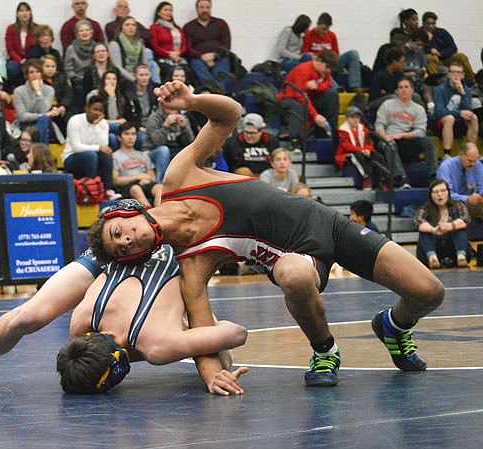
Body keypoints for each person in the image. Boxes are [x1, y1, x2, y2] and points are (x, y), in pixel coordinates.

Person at [88, 80, 445, 388]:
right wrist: (212, 375)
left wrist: (193, 101)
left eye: (118, 232)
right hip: (298, 259)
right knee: (293, 273)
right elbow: (201, 336)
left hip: (328, 223)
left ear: (127, 212)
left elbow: (229, 115)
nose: (125, 241)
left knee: (429, 292)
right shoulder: (193, 263)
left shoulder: (180, 178)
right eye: (120, 249)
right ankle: (325, 351)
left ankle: (394, 326)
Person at [0, 242, 248, 396]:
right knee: (27, 314)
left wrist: (187, 341)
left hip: (154, 246)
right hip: (115, 254)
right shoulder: (82, 327)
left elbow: (237, 333)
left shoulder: (157, 346)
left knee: (218, 349)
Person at [375, 77, 438, 188]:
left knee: (428, 140)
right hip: (389, 141)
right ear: (397, 91)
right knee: (390, 145)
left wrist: (402, 135)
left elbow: (421, 131)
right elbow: (379, 125)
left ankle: (434, 176)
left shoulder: (418, 109)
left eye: (406, 87)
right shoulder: (387, 105)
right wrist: (386, 138)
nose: (403, 90)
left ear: (412, 90)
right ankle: (402, 179)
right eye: (400, 87)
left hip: (409, 141)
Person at [276, 50, 339, 146]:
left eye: (330, 69)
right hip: (289, 99)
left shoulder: (325, 72)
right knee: (298, 105)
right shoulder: (303, 70)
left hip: (308, 98)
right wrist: (315, 115)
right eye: (327, 67)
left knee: (332, 94)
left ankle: (330, 134)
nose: (328, 71)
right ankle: (296, 142)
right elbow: (300, 96)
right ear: (319, 60)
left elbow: (327, 84)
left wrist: (317, 87)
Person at [61, 95, 117, 197]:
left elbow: (104, 145)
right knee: (91, 155)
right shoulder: (75, 120)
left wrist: (96, 126)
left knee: (106, 154)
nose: (97, 113)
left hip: (92, 156)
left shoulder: (103, 123)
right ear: (86, 109)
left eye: (100, 110)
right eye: (95, 109)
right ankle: (92, 189)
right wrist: (98, 148)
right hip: (71, 158)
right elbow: (76, 147)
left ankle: (107, 190)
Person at [413, 179, 470, 269]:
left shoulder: (458, 205)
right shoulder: (425, 208)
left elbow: (465, 219)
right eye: (435, 192)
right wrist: (433, 230)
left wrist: (450, 226)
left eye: (443, 191)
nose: (440, 194)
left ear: (448, 193)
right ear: (431, 195)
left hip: (452, 246)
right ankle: (432, 259)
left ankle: (461, 257)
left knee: (460, 229)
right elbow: (417, 221)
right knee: (425, 230)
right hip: (433, 245)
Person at [301, 12, 363, 91]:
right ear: (317, 24)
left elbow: (336, 53)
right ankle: (336, 88)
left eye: (327, 29)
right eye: (323, 28)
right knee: (320, 63)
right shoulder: (309, 35)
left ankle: (355, 86)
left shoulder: (332, 35)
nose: (325, 32)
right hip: (319, 64)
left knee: (353, 53)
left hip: (332, 63)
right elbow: (304, 55)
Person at [183, 0, 232, 92]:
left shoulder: (221, 23)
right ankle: (218, 92)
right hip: (198, 59)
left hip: (219, 58)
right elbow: (188, 48)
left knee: (225, 62)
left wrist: (215, 56)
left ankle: (212, 91)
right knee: (195, 63)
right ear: (197, 9)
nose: (205, 10)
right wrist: (202, 57)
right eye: (202, 7)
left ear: (210, 8)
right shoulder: (189, 27)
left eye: (207, 7)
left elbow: (226, 45)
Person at [433, 61, 478, 160]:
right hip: (442, 123)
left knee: (473, 117)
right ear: (448, 74)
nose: (455, 75)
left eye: (458, 73)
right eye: (453, 72)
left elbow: (469, 111)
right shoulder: (439, 89)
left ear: (462, 75)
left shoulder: (467, 90)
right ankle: (447, 154)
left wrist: (462, 93)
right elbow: (439, 112)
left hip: (459, 123)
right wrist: (459, 113)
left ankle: (471, 151)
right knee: (449, 118)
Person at [142, 100, 194, 181]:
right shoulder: (154, 118)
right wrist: (165, 126)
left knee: (189, 152)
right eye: (169, 105)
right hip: (152, 151)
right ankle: (160, 183)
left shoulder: (183, 118)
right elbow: (158, 142)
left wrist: (184, 128)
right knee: (164, 150)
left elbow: (190, 142)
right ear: (163, 105)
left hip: (173, 150)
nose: (172, 108)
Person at [112, 122, 162, 206]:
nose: (130, 137)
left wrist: (148, 179)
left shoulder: (142, 155)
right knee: (136, 189)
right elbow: (116, 180)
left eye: (133, 134)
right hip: (128, 185)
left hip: (145, 182)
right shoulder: (115, 156)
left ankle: (159, 214)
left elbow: (152, 175)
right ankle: (149, 214)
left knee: (159, 187)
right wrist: (138, 177)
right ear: (119, 137)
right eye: (127, 134)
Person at [422, 11, 475, 86]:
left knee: (461, 56)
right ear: (423, 23)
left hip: (446, 59)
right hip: (432, 61)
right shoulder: (420, 33)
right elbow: (418, 48)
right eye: (428, 24)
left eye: (433, 24)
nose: (431, 26)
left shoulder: (442, 32)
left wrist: (440, 54)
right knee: (429, 60)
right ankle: (438, 85)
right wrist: (430, 50)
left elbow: (453, 48)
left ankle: (472, 81)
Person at [336, 105, 382, 190]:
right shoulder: (342, 130)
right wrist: (361, 150)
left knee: (377, 156)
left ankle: (382, 180)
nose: (355, 119)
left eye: (357, 117)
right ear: (347, 118)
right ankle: (365, 178)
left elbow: (369, 142)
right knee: (357, 155)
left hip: (362, 152)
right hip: (346, 154)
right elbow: (346, 146)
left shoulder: (363, 129)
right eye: (352, 117)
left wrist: (368, 150)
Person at [437, 143, 483, 223]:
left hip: (472, 203)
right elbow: (445, 195)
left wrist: (479, 198)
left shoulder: (478, 166)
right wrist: (467, 199)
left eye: (475, 161)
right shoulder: (446, 167)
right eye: (469, 161)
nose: (472, 164)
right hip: (451, 203)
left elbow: (481, 188)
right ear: (461, 155)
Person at [13, 59, 56, 144]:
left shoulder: (49, 90)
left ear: (41, 74)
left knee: (44, 120)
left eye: (37, 72)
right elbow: (22, 116)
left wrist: (38, 92)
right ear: (27, 75)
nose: (35, 75)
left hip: (45, 123)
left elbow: (43, 110)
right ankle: (40, 153)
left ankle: (34, 145)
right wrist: (41, 115)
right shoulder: (19, 91)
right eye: (31, 72)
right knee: (44, 121)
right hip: (25, 124)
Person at [223, 113, 278, 177]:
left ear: (261, 131)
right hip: (242, 177)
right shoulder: (232, 142)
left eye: (252, 133)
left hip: (266, 176)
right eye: (246, 132)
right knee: (243, 171)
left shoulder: (271, 141)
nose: (249, 136)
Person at [149, 2, 189, 82]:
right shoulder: (154, 28)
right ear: (158, 13)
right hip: (162, 59)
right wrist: (169, 54)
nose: (168, 12)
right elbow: (154, 46)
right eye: (166, 10)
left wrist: (178, 53)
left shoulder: (178, 29)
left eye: (170, 10)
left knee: (187, 71)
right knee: (171, 71)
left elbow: (185, 45)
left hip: (178, 58)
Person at [5, 2, 37, 90]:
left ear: (30, 13)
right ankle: (13, 90)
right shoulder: (11, 29)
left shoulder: (37, 28)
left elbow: (37, 48)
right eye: (22, 11)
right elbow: (10, 50)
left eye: (27, 10)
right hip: (16, 59)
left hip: (32, 59)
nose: (25, 13)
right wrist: (20, 61)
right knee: (12, 67)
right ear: (17, 14)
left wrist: (28, 61)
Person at [64, 20, 96, 110]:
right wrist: (75, 78)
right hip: (78, 80)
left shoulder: (96, 47)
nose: (84, 33)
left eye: (87, 30)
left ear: (91, 33)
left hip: (93, 78)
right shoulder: (71, 48)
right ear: (77, 34)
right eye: (81, 31)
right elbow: (68, 68)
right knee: (80, 90)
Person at [108, 16, 149, 84]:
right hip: (123, 79)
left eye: (133, 25)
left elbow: (145, 64)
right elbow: (118, 68)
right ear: (121, 28)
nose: (131, 27)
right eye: (127, 25)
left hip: (140, 77)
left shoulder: (140, 44)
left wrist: (143, 77)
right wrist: (134, 80)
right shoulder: (114, 44)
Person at [41, 54, 71, 135]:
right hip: (47, 109)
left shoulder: (62, 78)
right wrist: (52, 109)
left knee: (70, 117)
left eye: (53, 66)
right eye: (47, 66)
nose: (50, 69)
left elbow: (68, 95)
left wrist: (63, 106)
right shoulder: (38, 80)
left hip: (61, 108)